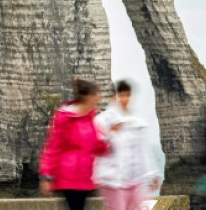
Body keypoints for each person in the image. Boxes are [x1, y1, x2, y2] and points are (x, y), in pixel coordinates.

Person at [39, 78, 109, 210]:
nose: (99, 98)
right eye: (97, 95)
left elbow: (95, 145)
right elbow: (53, 147)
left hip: (85, 177)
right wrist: (46, 176)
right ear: (87, 97)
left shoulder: (89, 118)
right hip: (69, 177)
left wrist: (110, 142)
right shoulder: (65, 118)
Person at [94, 80, 160, 210]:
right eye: (121, 95)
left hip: (137, 180)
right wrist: (111, 132)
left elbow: (143, 150)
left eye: (127, 95)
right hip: (114, 181)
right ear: (115, 96)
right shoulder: (104, 119)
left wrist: (152, 174)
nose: (124, 99)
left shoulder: (137, 121)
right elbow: (98, 146)